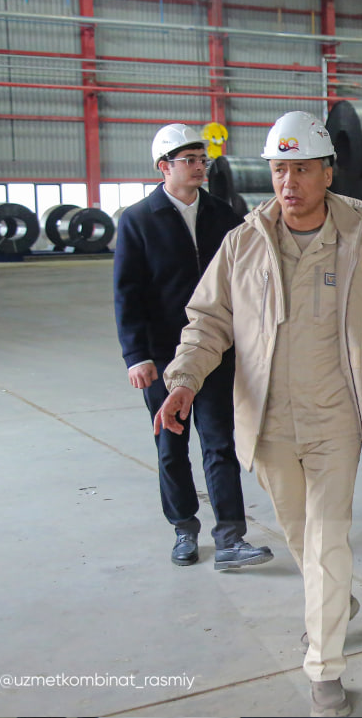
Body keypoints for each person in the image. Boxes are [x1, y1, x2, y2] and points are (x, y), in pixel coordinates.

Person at [154, 111, 362, 718]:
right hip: (269, 423)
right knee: (302, 537)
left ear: (328, 173)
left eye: (301, 169)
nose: (289, 182)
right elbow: (208, 321)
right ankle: (334, 602)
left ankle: (324, 668)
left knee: (328, 538)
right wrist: (183, 380)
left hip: (337, 418)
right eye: (280, 170)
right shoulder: (244, 242)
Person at [113, 122, 272, 571]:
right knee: (171, 444)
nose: (200, 167)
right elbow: (127, 294)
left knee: (220, 442)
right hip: (163, 356)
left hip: (216, 350)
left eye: (203, 160)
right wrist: (137, 356)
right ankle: (184, 528)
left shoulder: (224, 214)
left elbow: (244, 280)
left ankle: (230, 537)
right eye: (190, 160)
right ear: (164, 167)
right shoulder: (138, 220)